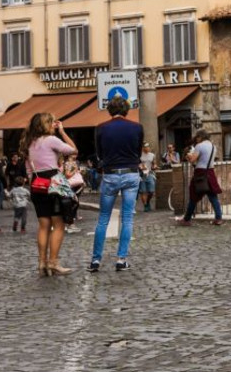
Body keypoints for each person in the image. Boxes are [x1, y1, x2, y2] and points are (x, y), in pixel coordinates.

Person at [89, 96, 145, 273]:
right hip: (130, 172)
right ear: (126, 110)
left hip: (111, 174)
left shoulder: (101, 128)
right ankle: (121, 259)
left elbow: (99, 154)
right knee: (127, 218)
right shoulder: (137, 127)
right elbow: (138, 152)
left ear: (109, 110)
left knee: (103, 218)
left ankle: (95, 260)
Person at [21, 113, 79, 276]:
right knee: (58, 224)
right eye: (52, 122)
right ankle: (53, 262)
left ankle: (42, 263)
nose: (55, 124)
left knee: (43, 225)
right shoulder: (51, 140)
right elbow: (73, 150)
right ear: (47, 124)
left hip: (37, 183)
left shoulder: (28, 143)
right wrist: (62, 131)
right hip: (53, 182)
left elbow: (28, 170)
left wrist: (35, 183)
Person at [179, 130, 224, 225]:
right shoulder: (213, 146)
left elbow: (193, 160)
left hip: (200, 172)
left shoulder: (199, 146)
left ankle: (186, 219)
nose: (196, 139)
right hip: (210, 171)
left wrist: (188, 155)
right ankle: (219, 218)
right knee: (213, 196)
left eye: (197, 137)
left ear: (200, 137)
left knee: (193, 195)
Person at [139, 143, 158, 212]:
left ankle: (148, 201)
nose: (147, 148)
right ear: (142, 148)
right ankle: (145, 205)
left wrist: (155, 166)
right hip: (142, 174)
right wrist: (140, 167)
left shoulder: (152, 155)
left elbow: (154, 163)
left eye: (148, 147)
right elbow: (137, 164)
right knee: (143, 191)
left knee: (151, 191)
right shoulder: (139, 155)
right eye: (145, 147)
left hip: (150, 174)